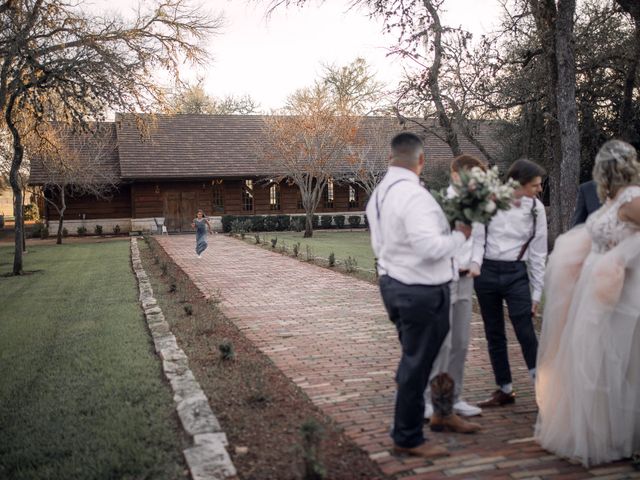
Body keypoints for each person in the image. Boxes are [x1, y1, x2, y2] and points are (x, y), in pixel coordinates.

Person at [366, 132, 474, 459]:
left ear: (390, 157)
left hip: (394, 283)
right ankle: (408, 437)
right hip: (420, 292)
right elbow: (428, 248)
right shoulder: (414, 196)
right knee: (417, 365)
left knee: (413, 360)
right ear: (421, 160)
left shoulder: (380, 194)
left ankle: (411, 426)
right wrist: (459, 237)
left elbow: (381, 244)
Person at [535, 139, 640, 467]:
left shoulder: (633, 198)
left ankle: (626, 434)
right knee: (593, 355)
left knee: (621, 355)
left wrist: (618, 258)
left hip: (623, 288)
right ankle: (605, 432)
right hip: (592, 289)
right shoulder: (609, 199)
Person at [473, 158, 548, 408]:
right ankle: (504, 389)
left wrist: (536, 294)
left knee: (525, 331)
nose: (540, 189)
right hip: (486, 272)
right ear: (522, 183)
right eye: (536, 185)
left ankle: (544, 392)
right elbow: (476, 238)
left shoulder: (536, 209)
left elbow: (538, 254)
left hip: (517, 273)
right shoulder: (489, 201)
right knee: (494, 333)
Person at [424, 155, 486, 425]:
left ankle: (454, 397)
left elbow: (480, 239)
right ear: (457, 176)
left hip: (466, 279)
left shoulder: (478, 205)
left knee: (461, 341)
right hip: (442, 279)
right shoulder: (440, 204)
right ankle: (429, 400)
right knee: (442, 342)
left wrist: (475, 262)